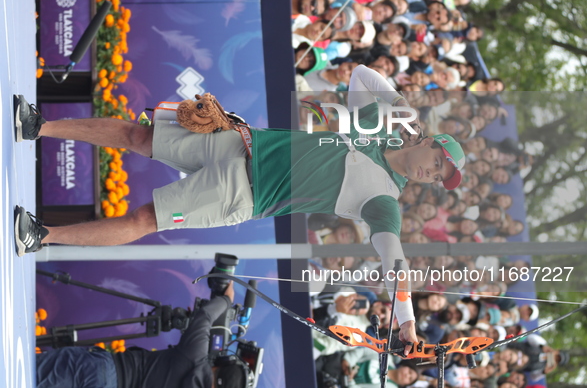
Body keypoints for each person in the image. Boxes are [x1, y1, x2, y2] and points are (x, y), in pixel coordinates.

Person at [15, 65, 467, 349]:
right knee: (139, 137)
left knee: (143, 220)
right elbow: (362, 76)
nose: (434, 174)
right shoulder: (381, 130)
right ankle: (41, 125)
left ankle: (42, 236)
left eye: (441, 177)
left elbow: (394, 259)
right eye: (438, 162)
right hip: (240, 140)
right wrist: (401, 109)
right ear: (426, 141)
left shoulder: (386, 200)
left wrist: (405, 320)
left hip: (244, 194)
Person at [36, 282, 242, 388]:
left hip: (105, 370)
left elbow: (204, 315)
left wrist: (226, 300)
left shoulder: (195, 357)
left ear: (221, 363)